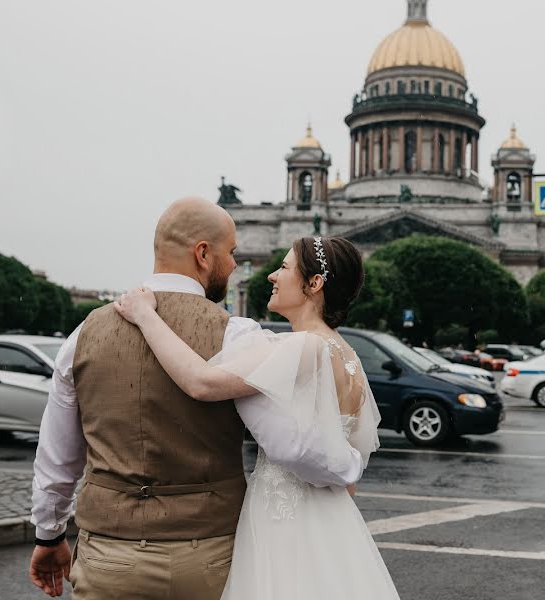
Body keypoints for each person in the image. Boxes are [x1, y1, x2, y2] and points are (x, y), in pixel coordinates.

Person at [28, 198, 368, 600]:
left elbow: (57, 455)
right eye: (232, 253)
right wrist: (352, 464)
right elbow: (287, 443)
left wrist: (49, 535)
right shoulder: (239, 335)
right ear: (203, 254)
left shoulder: (83, 333)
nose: (239, 266)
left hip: (108, 554)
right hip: (207, 556)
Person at [114, 235, 399, 599]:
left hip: (282, 523)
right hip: (336, 523)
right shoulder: (351, 360)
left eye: (283, 268)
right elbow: (351, 474)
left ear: (314, 284)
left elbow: (200, 382)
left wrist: (145, 316)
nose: (271, 277)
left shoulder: (304, 347)